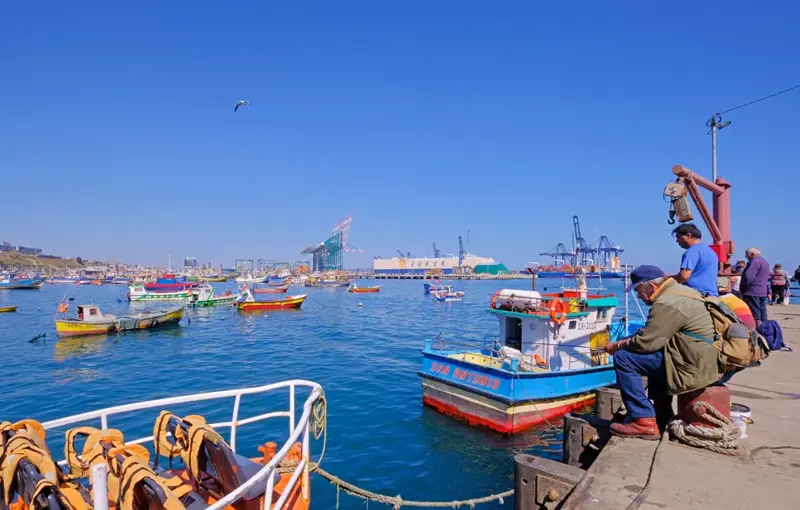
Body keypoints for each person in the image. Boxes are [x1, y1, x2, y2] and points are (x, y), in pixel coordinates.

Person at [603, 265, 727, 439]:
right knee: (655, 354)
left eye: (638, 290)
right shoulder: (681, 291)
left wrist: (616, 346)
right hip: (704, 359)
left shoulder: (666, 303)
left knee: (624, 358)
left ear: (651, 286)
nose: (638, 296)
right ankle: (662, 413)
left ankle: (643, 420)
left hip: (694, 366)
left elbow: (647, 343)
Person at [671, 223, 719, 296]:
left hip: (697, 295)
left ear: (688, 236)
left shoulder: (692, 251)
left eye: (678, 237)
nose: (677, 241)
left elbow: (684, 276)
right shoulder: (710, 251)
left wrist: (666, 279)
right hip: (712, 295)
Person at [739, 247, 770, 329]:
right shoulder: (765, 262)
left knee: (755, 313)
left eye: (746, 254)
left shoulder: (754, 262)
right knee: (762, 311)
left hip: (752, 291)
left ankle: (757, 330)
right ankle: (765, 330)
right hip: (762, 291)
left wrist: (742, 289)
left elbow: (748, 277)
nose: (745, 256)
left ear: (751, 254)